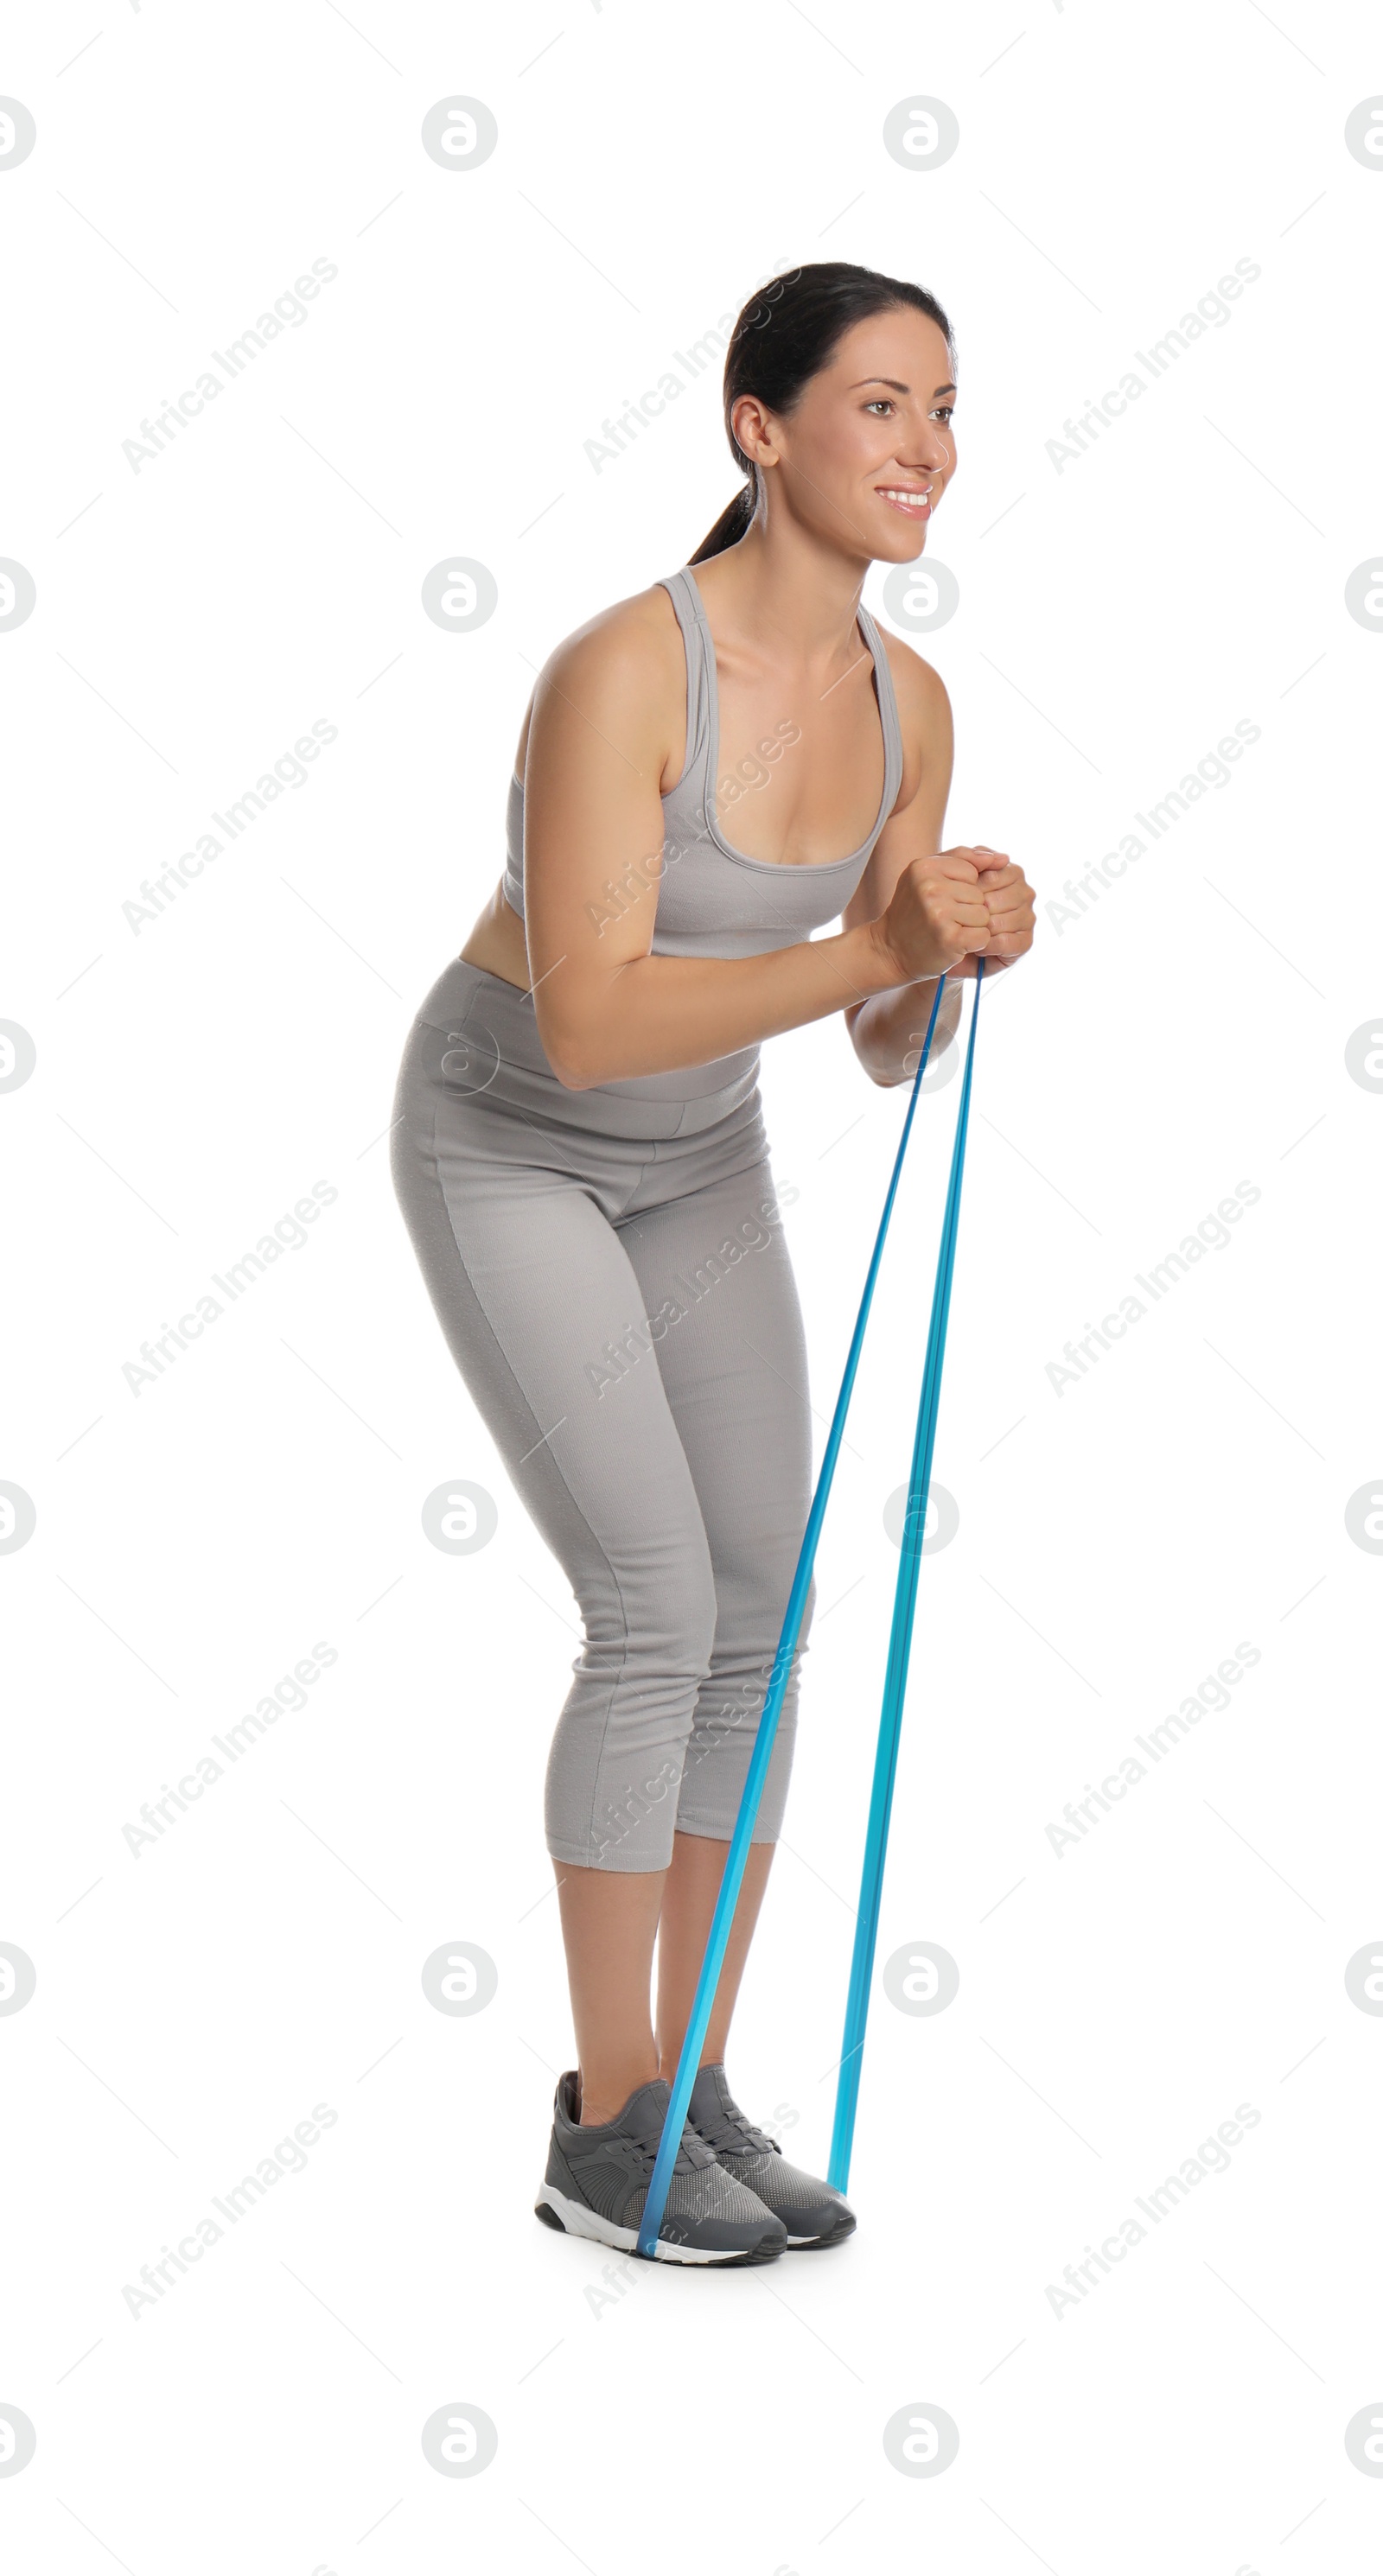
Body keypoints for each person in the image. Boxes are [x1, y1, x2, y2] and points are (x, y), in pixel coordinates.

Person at [391, 259, 1036, 2265]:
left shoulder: (905, 701)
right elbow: (588, 1017)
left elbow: (872, 1037)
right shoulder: (620, 671)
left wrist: (949, 964)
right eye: (876, 404)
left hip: (697, 1158)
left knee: (763, 1606)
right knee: (654, 1602)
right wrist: (875, 944)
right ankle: (601, 2124)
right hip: (509, 1136)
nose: (924, 445)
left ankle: (685, 2082)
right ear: (760, 429)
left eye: (941, 405)